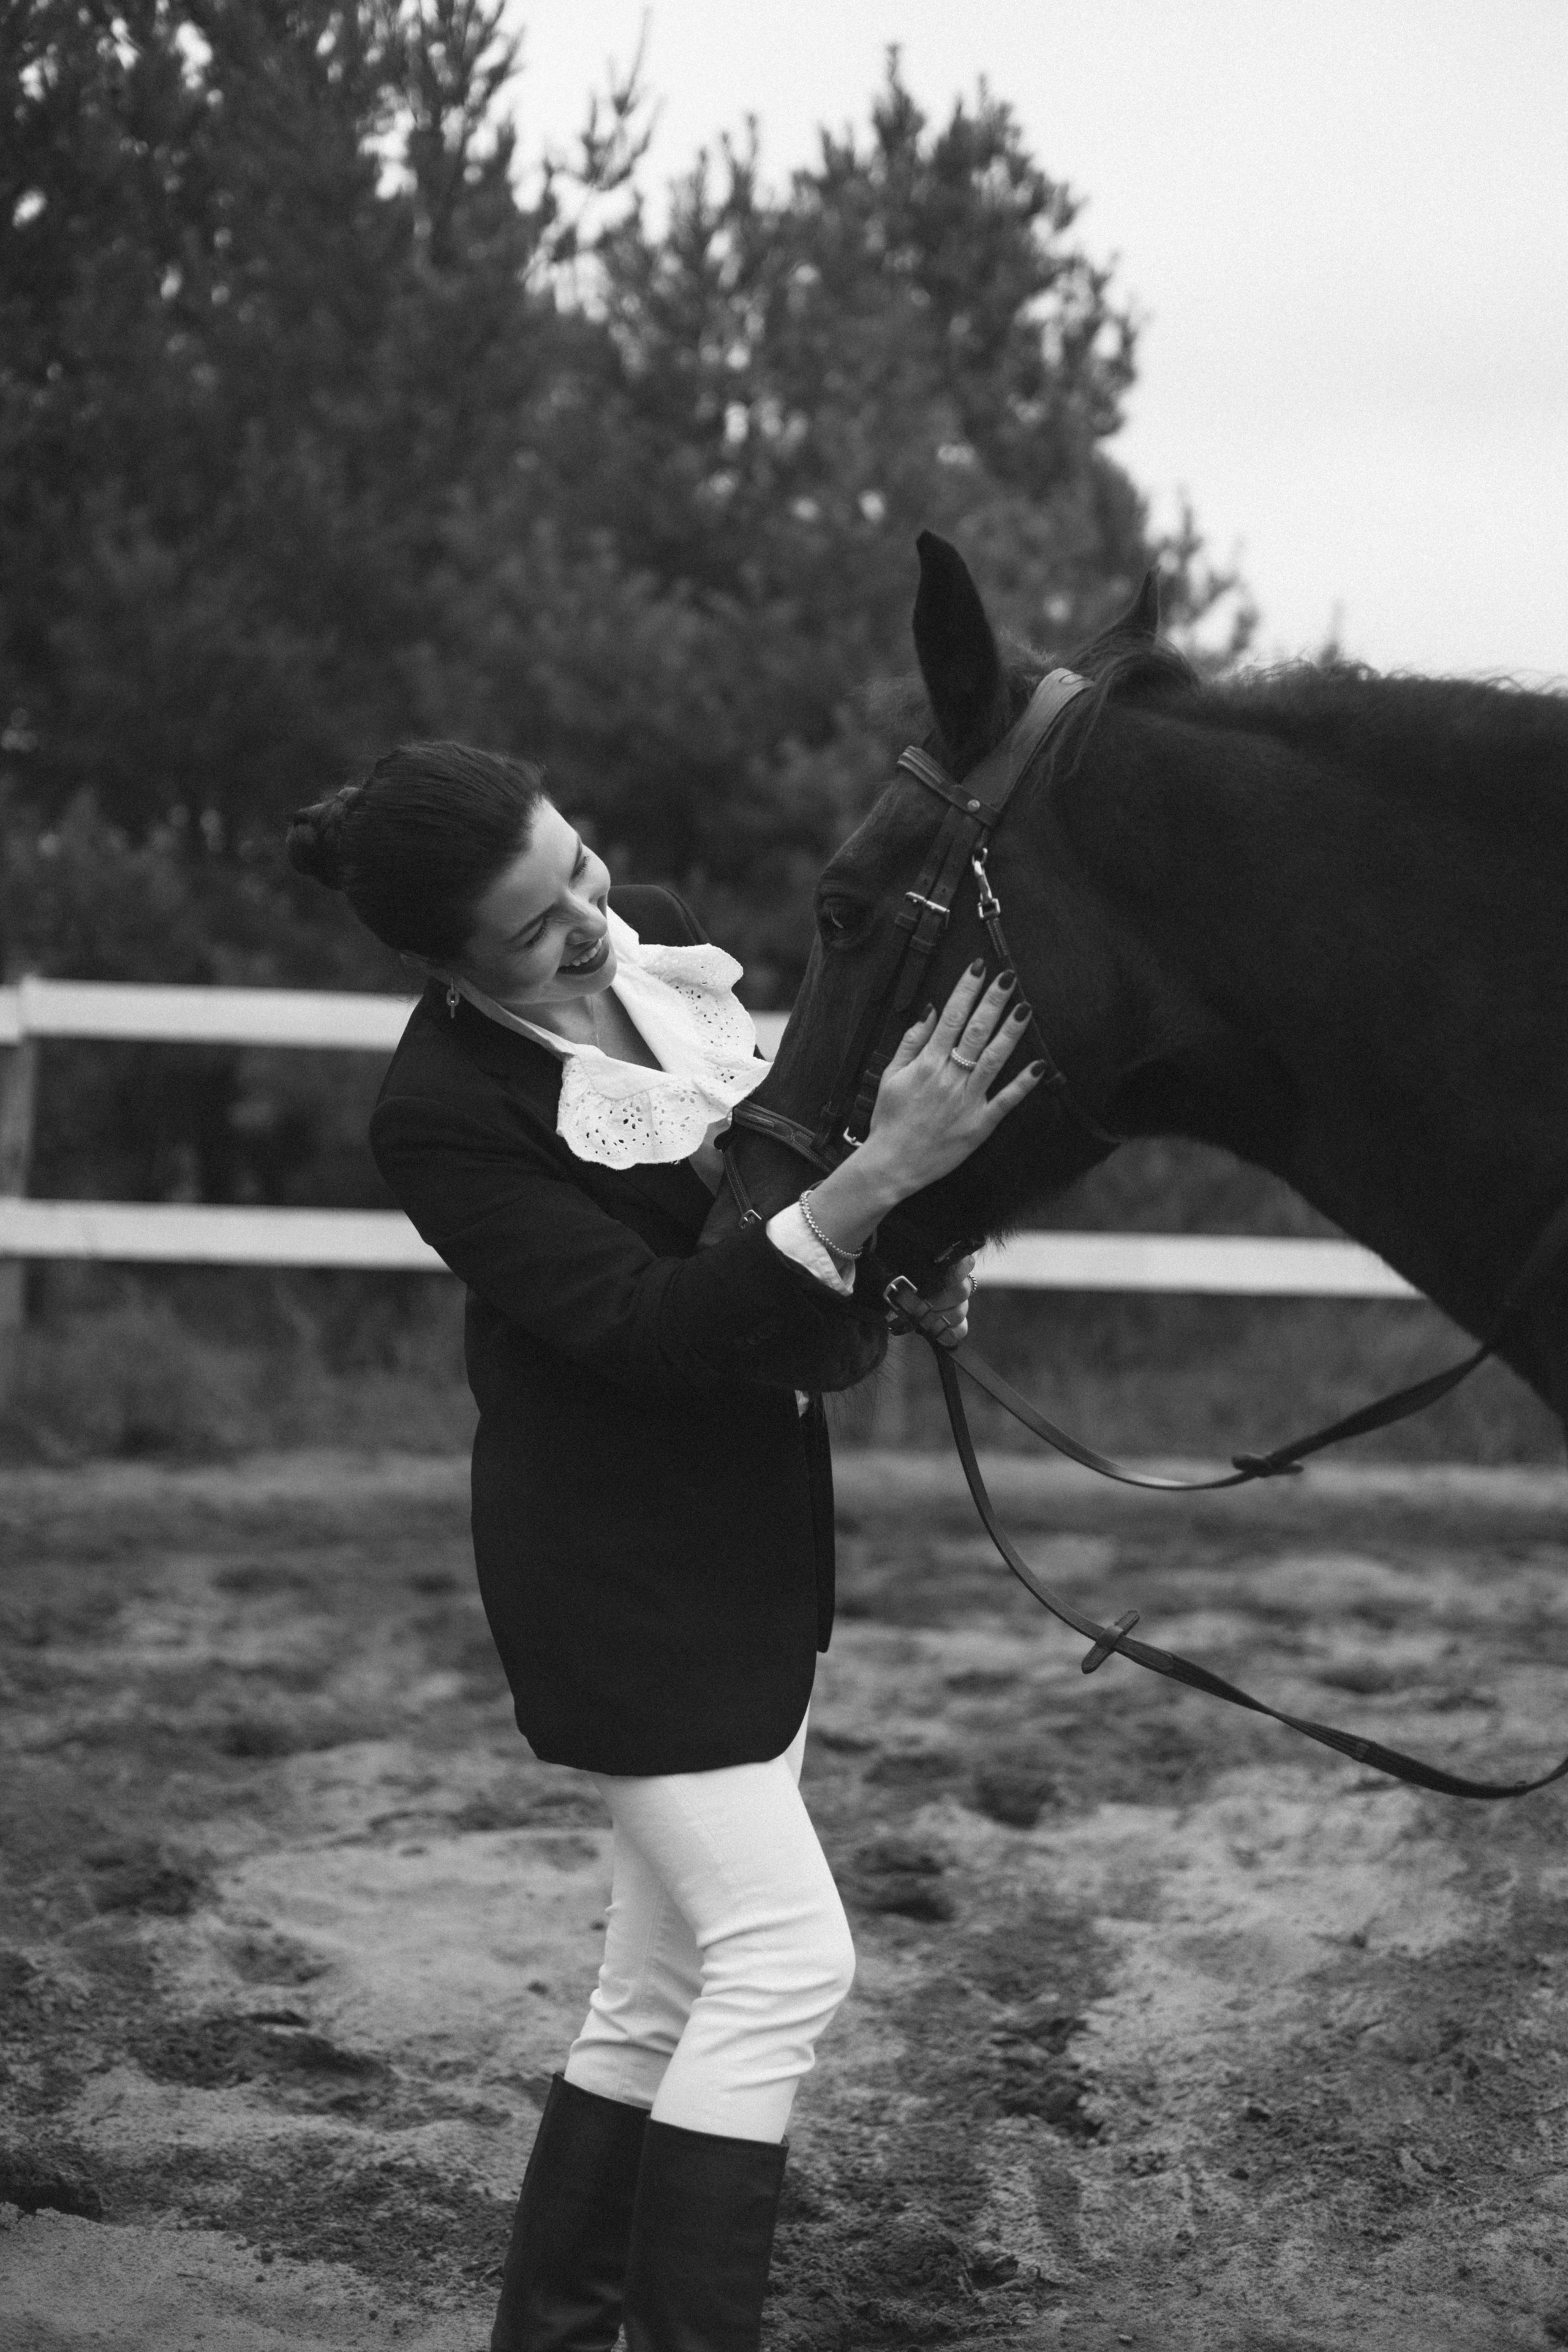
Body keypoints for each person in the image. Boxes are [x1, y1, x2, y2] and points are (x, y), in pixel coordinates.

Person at [285, 741, 1046, 2352]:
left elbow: (760, 1204)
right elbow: (649, 1323)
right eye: (534, 925)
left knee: (655, 1993)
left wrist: (904, 1247)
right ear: (443, 965)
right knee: (784, 1963)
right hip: (612, 1577)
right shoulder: (438, 1118)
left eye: (580, 866)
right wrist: (883, 1176)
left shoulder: (666, 947)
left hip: (749, 1539)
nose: (591, 920)